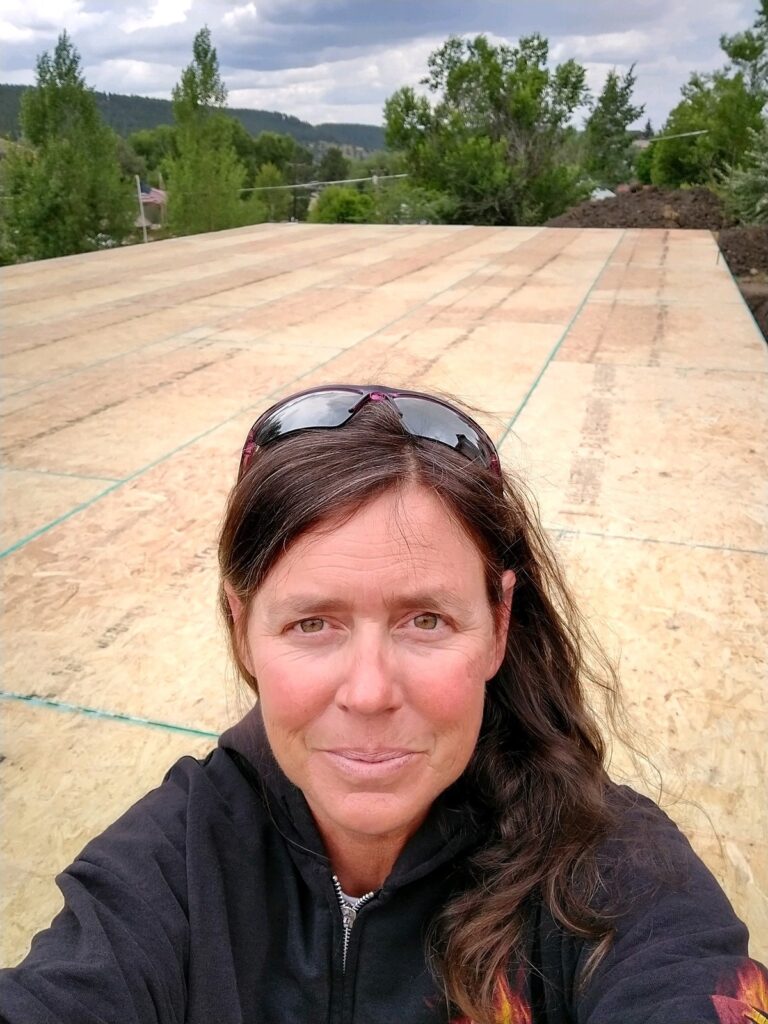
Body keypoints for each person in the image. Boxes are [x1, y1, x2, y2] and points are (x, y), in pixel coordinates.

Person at [1, 383, 766, 1024]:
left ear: (499, 625)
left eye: (425, 620)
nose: (369, 692)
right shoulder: (171, 869)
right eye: (313, 623)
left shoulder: (612, 871)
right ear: (242, 629)